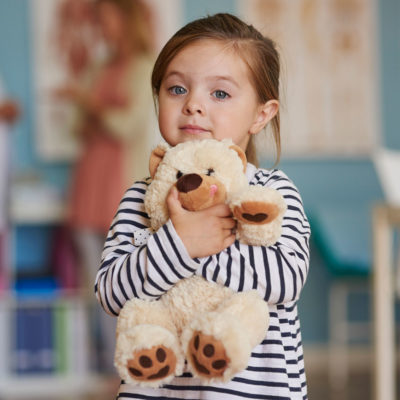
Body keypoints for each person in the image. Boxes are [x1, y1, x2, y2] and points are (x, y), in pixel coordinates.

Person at [96, 13, 311, 399]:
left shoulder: (270, 193)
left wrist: (202, 247)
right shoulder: (141, 198)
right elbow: (111, 295)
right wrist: (178, 241)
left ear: (262, 114)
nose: (194, 104)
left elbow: (286, 280)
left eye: (220, 94)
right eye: (176, 89)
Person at [55, 0, 156, 372]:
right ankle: (95, 364)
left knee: (123, 279)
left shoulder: (145, 66)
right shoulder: (98, 67)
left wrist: (88, 105)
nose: (103, 30)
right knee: (90, 280)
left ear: (126, 22)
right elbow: (77, 127)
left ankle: (127, 365)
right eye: (99, 23)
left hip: (119, 182)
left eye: (107, 21)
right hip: (88, 178)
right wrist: (88, 112)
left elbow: (126, 125)